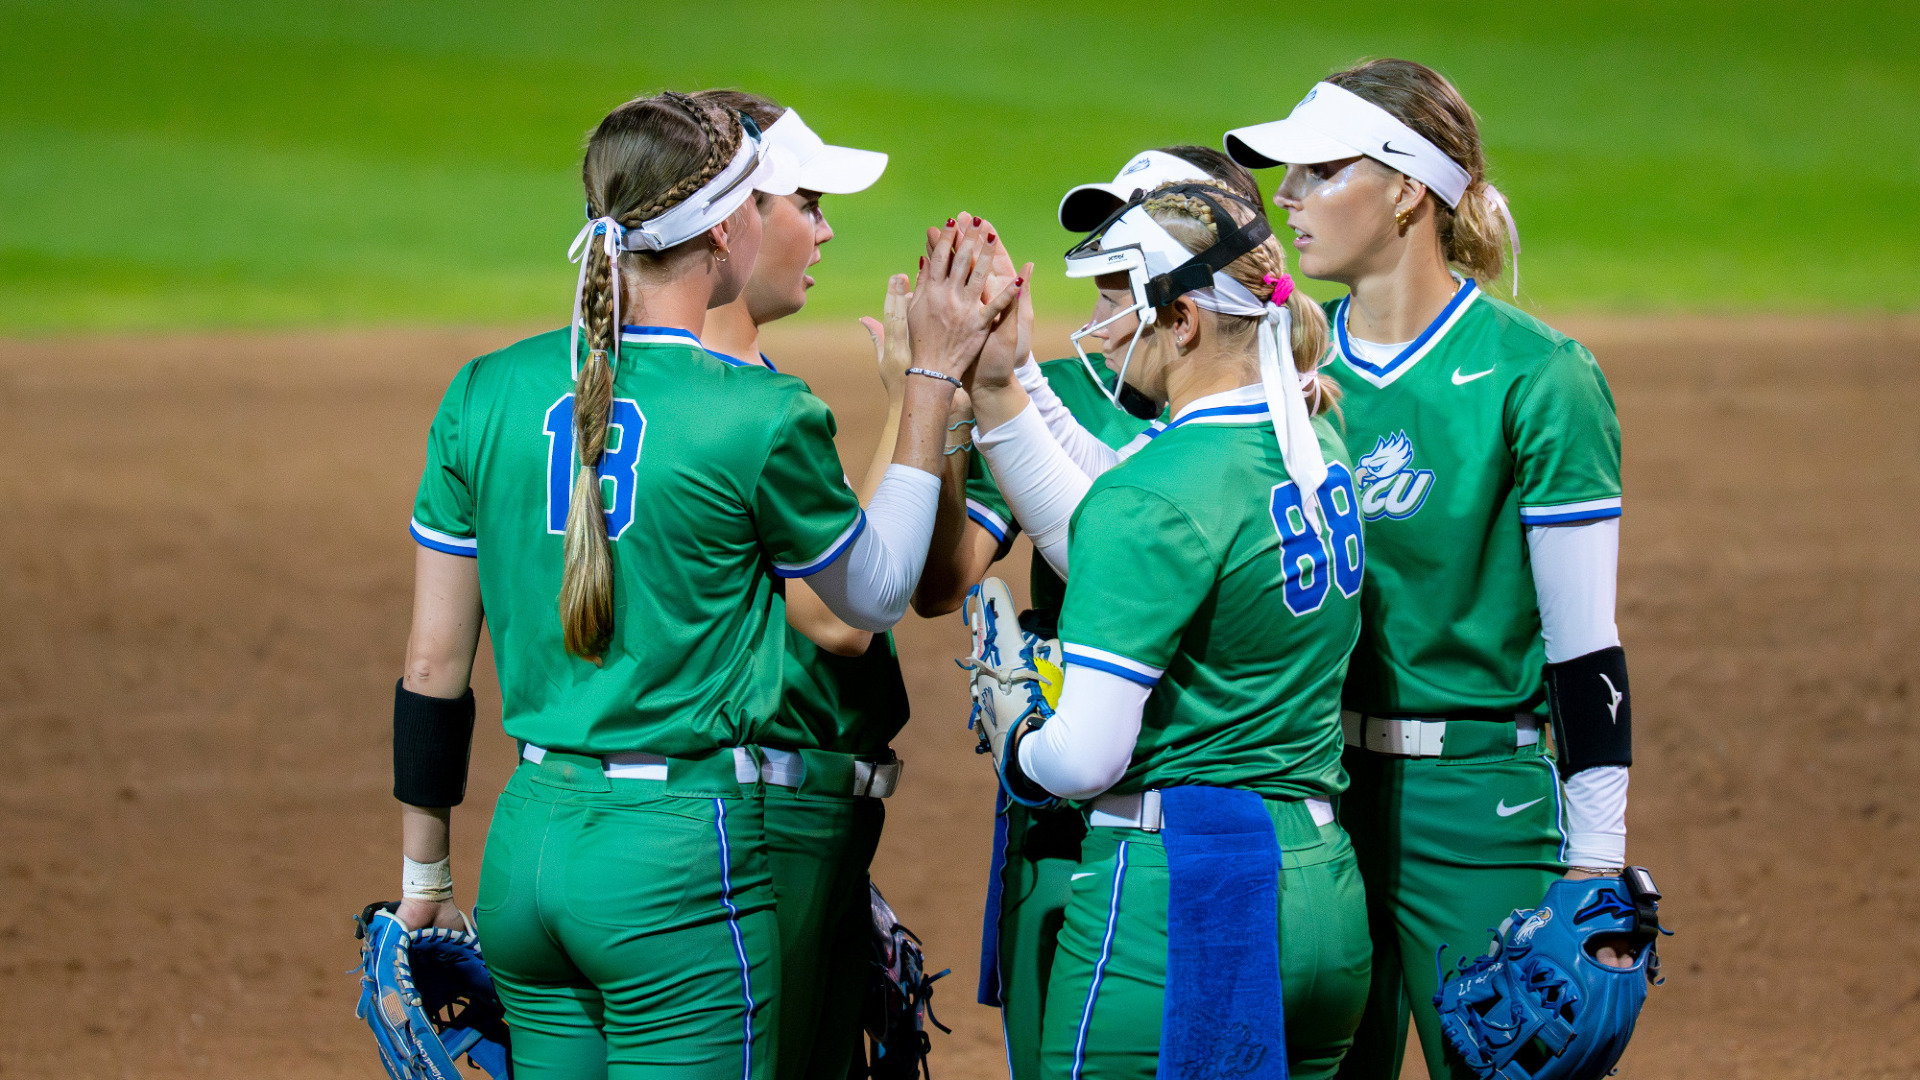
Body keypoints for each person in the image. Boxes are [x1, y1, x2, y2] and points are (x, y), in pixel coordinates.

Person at [387, 88, 1018, 1078]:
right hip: (674, 862)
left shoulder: (484, 391)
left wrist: (426, 875)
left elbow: (432, 664)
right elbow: (870, 599)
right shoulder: (755, 416)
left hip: (528, 845)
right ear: (728, 226)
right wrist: (932, 381)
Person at [1223, 58, 1640, 1080]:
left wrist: (1596, 864)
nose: (1287, 200)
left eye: (1320, 173)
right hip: (1313, 800)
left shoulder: (1536, 378)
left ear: (1409, 188)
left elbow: (1586, 650)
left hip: (1479, 810)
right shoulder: (1272, 378)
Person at [967, 179, 1372, 1080]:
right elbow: (1137, 510)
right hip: (1323, 899)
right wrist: (1013, 384)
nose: (1106, 329)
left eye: (1122, 301)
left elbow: (1085, 761)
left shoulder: (1154, 494)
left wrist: (1018, 736)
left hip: (1183, 903)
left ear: (1182, 320)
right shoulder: (1317, 445)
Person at [909, 146, 1270, 1080]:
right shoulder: (1071, 391)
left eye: (1125, 270)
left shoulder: (1288, 409)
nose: (1107, 306)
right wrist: (951, 407)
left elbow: (1113, 533)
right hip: (1062, 819)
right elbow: (946, 578)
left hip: (1176, 796)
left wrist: (990, 394)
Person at [694, 88, 933, 1080]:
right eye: (809, 202)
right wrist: (919, 402)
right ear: (732, 215)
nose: (828, 229)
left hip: (777, 824)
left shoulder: (679, 389)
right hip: (757, 830)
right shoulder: (740, 409)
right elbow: (841, 616)